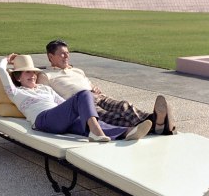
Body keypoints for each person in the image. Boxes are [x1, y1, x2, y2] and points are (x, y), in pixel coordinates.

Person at [0, 53, 153, 143]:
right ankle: (96, 133)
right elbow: (0, 70)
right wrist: (7, 59)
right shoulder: (16, 93)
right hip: (43, 120)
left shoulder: (45, 88)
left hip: (59, 118)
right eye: (27, 73)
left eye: (33, 72)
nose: (32, 75)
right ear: (18, 77)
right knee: (84, 94)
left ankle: (127, 132)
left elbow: (62, 103)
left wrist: (83, 110)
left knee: (85, 120)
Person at [37, 39, 176, 135]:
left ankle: (155, 120)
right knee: (109, 116)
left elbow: (89, 84)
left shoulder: (77, 70)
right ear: (50, 57)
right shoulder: (46, 75)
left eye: (67, 53)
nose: (66, 56)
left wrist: (94, 87)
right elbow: (45, 97)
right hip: (82, 104)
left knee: (124, 106)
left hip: (98, 96)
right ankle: (157, 123)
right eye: (61, 53)